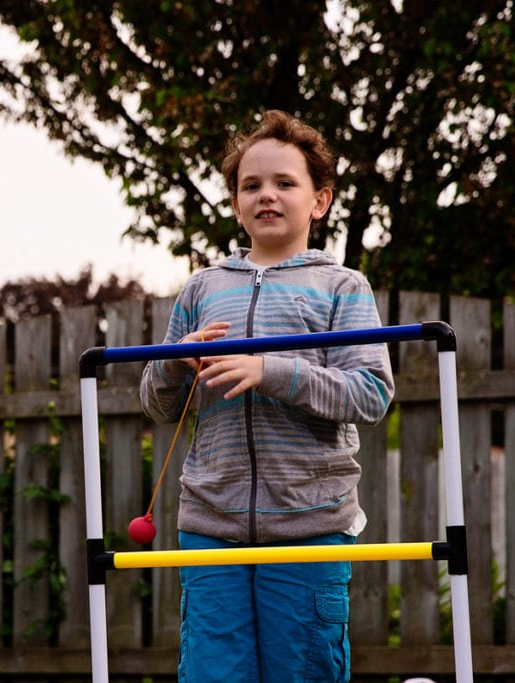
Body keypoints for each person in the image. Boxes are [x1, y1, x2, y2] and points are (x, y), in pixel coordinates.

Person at [140, 110, 395, 682]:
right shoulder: (202, 289)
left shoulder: (342, 287)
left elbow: (373, 393)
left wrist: (270, 370)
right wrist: (176, 362)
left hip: (309, 526)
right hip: (209, 526)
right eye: (251, 185)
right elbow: (157, 403)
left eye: (285, 183)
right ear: (235, 203)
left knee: (302, 671)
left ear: (320, 200)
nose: (267, 196)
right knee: (212, 673)